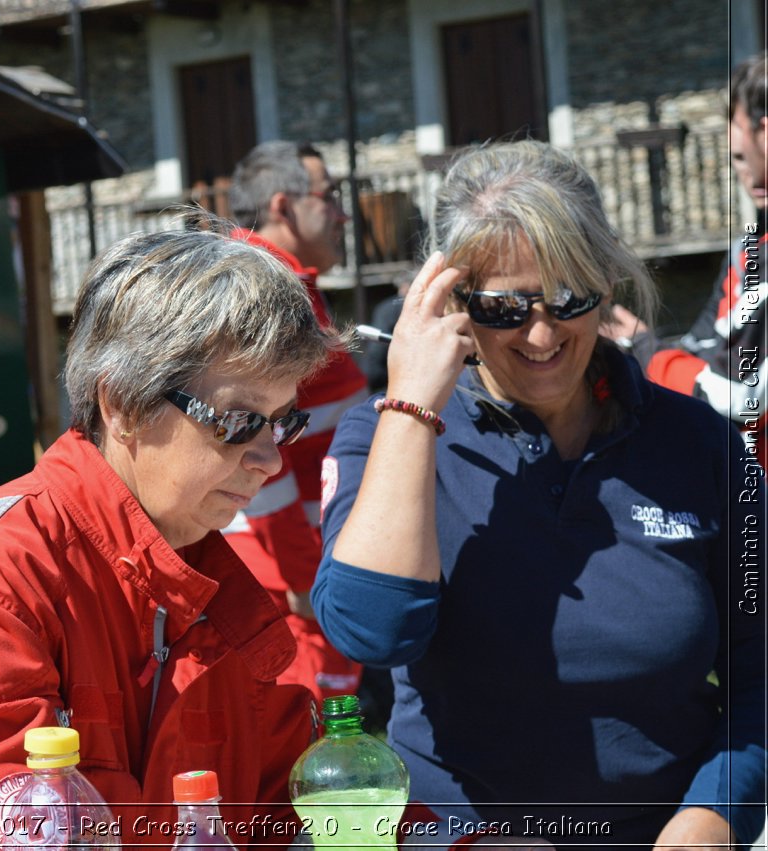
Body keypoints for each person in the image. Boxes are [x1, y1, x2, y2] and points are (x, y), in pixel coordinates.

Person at [0, 226, 348, 847]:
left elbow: (293, 808)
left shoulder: (202, 580)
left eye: (283, 423)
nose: (270, 459)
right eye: (240, 421)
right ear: (122, 408)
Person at [312, 140, 766, 849]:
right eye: (503, 307)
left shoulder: (699, 445)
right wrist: (410, 406)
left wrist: (713, 816)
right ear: (449, 301)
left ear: (607, 282)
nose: (543, 333)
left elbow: (759, 673)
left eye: (567, 296)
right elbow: (372, 631)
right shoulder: (387, 439)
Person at [225, 140, 369, 703]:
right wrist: (306, 575)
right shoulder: (266, 292)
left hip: (294, 570)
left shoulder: (284, 285)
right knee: (307, 753)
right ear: (283, 207)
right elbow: (250, 444)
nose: (342, 214)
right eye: (329, 196)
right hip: (285, 580)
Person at [607, 52, 767, 466]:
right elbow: (702, 344)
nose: (748, 176)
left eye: (740, 154)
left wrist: (643, 349)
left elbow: (733, 396)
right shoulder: (748, 253)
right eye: (735, 161)